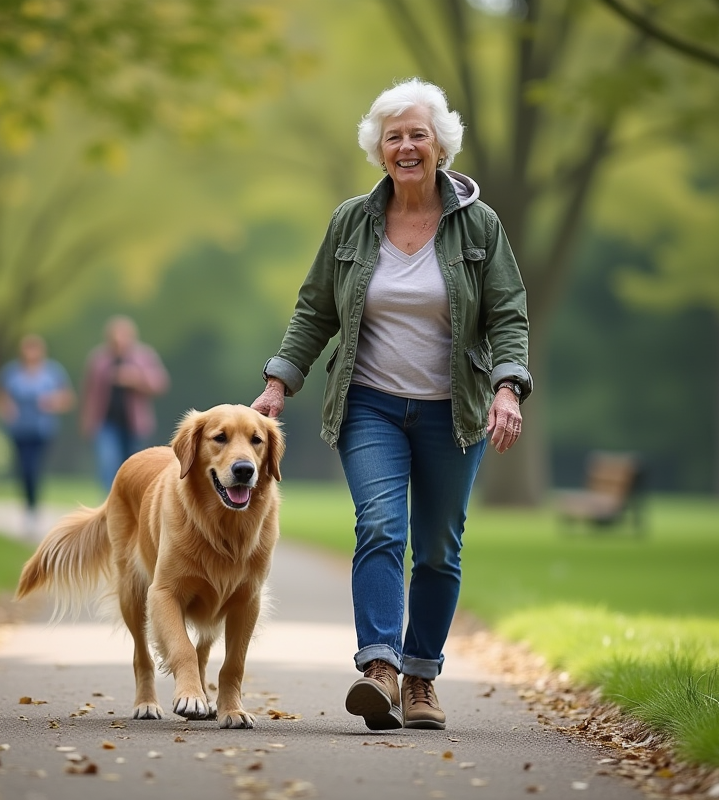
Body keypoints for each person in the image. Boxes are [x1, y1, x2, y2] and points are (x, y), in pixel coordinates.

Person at [251, 78, 532, 732]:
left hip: (451, 412)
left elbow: (509, 313)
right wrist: (278, 382)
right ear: (380, 150)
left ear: (441, 147)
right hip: (368, 404)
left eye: (418, 135)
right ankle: (379, 667)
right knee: (381, 524)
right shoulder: (352, 220)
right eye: (394, 136)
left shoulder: (479, 225)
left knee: (438, 548)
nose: (406, 146)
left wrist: (507, 386)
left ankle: (422, 677)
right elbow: (315, 308)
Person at [0, 334, 76, 536]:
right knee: (23, 468)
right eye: (27, 349)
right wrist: (7, 409)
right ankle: (28, 506)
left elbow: (68, 398)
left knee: (33, 468)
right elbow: (0, 395)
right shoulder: (12, 372)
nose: (31, 353)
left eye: (34, 349)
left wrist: (52, 402)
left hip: (43, 429)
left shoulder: (52, 372)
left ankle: (32, 510)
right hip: (19, 429)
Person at [80, 315, 170, 493]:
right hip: (105, 422)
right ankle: (108, 505)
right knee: (108, 463)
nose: (119, 341)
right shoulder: (99, 360)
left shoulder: (144, 356)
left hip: (134, 424)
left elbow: (160, 384)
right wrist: (87, 420)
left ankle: (132, 505)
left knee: (134, 467)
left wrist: (135, 379)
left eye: (124, 337)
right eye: (115, 337)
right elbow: (89, 392)